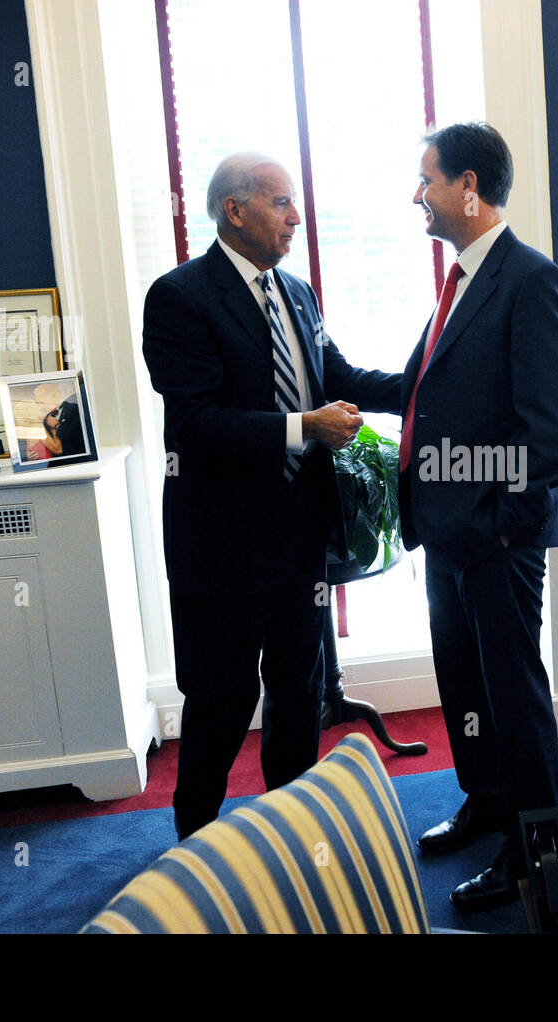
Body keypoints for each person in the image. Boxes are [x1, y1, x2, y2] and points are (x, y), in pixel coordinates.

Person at [141, 152, 403, 840]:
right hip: (221, 547)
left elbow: (337, 375)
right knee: (222, 705)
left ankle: (290, 837)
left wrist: (428, 381)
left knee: (300, 696)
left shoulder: (298, 292)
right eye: (283, 203)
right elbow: (195, 425)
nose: (296, 217)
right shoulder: (179, 297)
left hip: (299, 540)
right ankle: (192, 845)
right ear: (235, 210)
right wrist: (303, 428)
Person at [402, 122, 558, 910]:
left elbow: (551, 439)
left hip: (497, 540)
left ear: (468, 186)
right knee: (463, 684)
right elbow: (421, 389)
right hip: (447, 536)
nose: (419, 195)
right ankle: (485, 799)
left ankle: (533, 849)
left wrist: (497, 520)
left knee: (514, 696)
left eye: (428, 179)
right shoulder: (459, 282)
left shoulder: (530, 280)